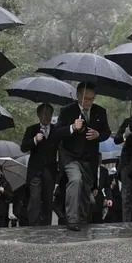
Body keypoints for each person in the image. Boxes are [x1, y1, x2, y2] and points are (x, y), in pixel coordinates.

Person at [54, 81, 111, 231]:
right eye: (86, 98)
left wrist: (99, 134)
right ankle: (71, 219)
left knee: (86, 191)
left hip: (89, 159)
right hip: (69, 156)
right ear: (78, 95)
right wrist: (72, 127)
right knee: (75, 180)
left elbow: (107, 133)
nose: (88, 102)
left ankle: (82, 220)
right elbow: (57, 132)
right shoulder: (67, 111)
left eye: (92, 99)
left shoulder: (100, 111)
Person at [20, 103, 60, 226]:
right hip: (35, 171)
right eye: (44, 113)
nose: (47, 116)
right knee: (35, 199)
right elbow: (23, 147)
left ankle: (47, 226)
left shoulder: (56, 130)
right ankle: (33, 225)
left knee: (48, 199)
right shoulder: (31, 129)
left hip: (50, 170)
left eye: (49, 114)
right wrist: (35, 140)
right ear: (38, 115)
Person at [90, 153, 112, 223]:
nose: (99, 161)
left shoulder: (104, 171)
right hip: (90, 194)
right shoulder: (89, 169)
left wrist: (109, 198)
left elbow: (107, 186)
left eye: (100, 159)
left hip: (99, 196)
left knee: (98, 217)